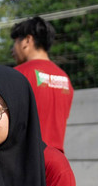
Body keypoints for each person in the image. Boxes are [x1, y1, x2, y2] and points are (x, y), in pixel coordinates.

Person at [11, 16, 73, 153]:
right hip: (56, 158)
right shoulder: (65, 78)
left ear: (27, 40)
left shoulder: (18, 75)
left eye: (15, 42)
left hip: (25, 156)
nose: (12, 50)